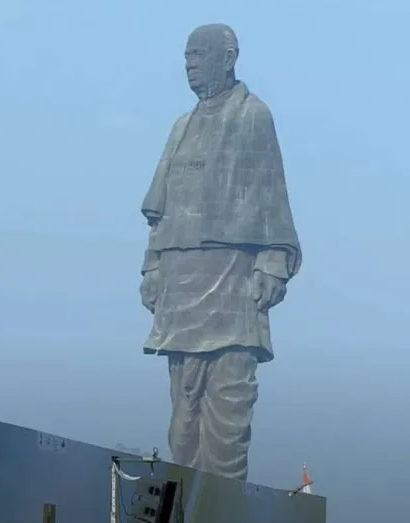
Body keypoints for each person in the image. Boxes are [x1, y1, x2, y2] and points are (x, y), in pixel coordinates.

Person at [140, 24, 302, 481]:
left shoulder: (253, 115)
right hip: (180, 284)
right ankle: (186, 501)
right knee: (183, 419)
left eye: (198, 54)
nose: (189, 63)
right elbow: (159, 213)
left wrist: (273, 262)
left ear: (228, 58)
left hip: (232, 279)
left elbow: (271, 194)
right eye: (186, 55)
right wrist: (152, 266)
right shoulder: (181, 126)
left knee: (228, 411)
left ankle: (221, 504)